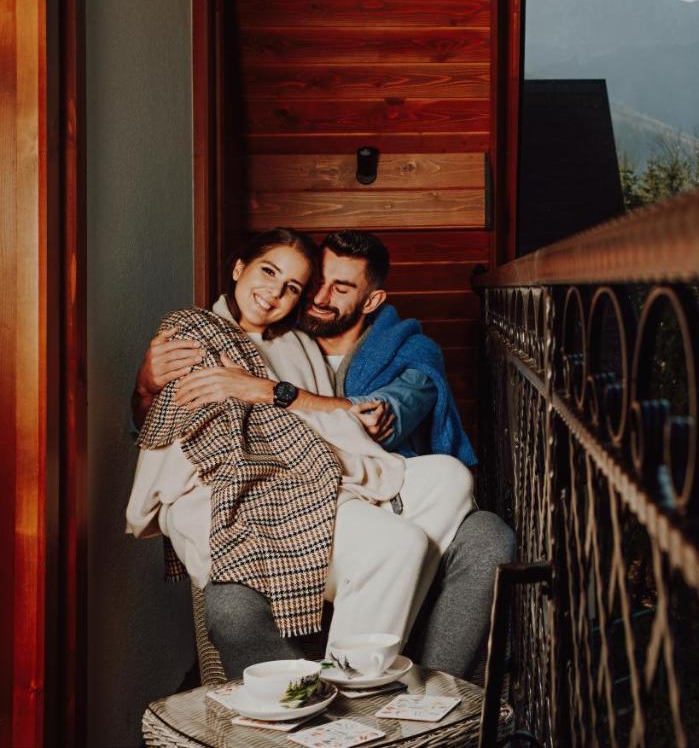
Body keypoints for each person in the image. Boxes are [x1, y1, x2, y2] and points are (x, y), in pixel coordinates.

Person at [133, 230, 515, 683]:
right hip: (275, 487)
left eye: (298, 285)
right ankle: (361, 674)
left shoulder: (319, 348)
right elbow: (175, 419)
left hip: (338, 475)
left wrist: (274, 394)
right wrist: (144, 385)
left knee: (451, 478)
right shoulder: (199, 334)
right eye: (310, 283)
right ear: (239, 268)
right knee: (399, 545)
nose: (314, 296)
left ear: (371, 300)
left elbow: (380, 409)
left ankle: (383, 628)